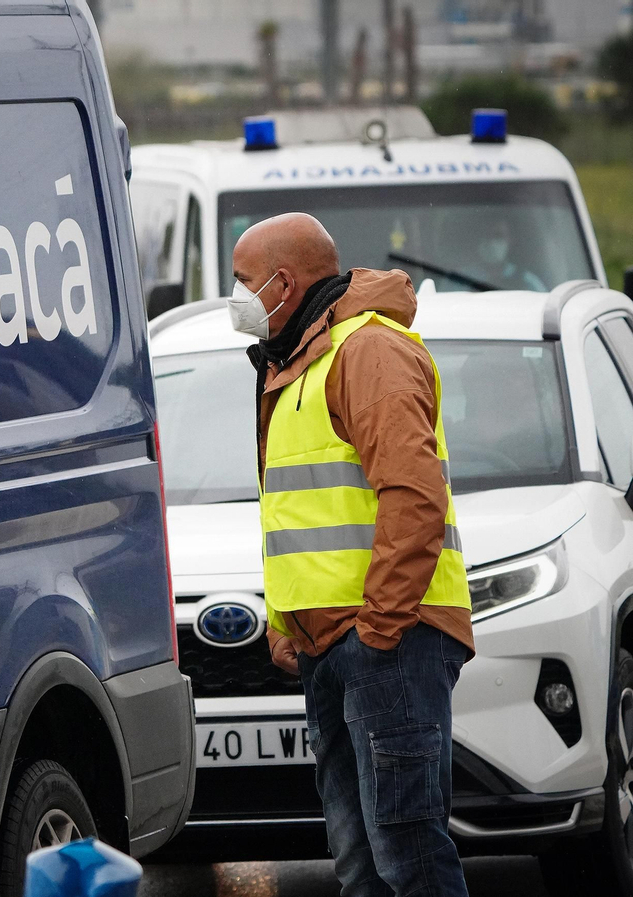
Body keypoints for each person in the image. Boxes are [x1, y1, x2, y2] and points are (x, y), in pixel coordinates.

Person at [229, 212, 473, 896]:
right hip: (334, 642)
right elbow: (296, 513)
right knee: (362, 862)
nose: (236, 298)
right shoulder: (295, 359)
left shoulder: (367, 351)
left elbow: (413, 495)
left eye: (242, 282)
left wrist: (379, 628)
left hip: (391, 641)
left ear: (284, 281)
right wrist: (288, 620)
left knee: (408, 852)